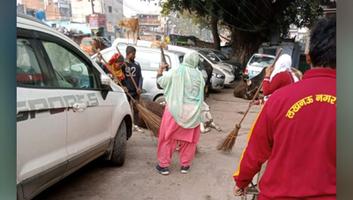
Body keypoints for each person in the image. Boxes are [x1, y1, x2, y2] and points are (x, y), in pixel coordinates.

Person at [233, 17, 336, 199]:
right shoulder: (289, 78)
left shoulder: (280, 98)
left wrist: (242, 181)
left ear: (309, 57)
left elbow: (255, 152)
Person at [155, 52, 205, 175]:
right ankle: (185, 165)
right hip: (193, 113)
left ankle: (164, 166)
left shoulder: (176, 71)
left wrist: (160, 70)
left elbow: (160, 83)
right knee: (189, 140)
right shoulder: (199, 75)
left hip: (175, 110)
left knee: (167, 137)